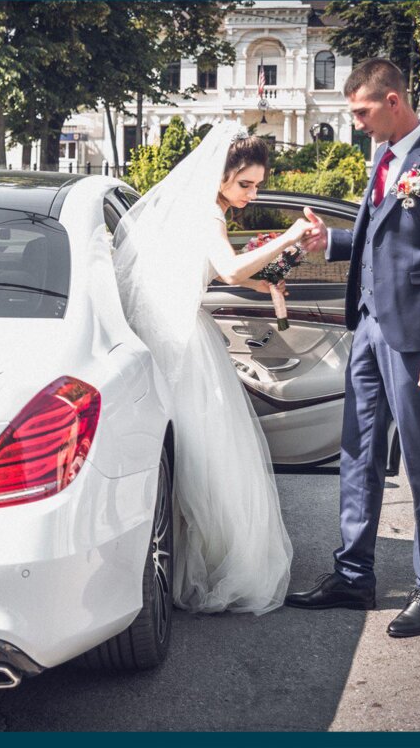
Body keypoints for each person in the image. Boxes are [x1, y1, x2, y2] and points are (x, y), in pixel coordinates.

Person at [287, 59, 420, 638]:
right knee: (357, 452)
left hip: (417, 339)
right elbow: (379, 239)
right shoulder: (382, 159)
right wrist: (331, 240)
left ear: (393, 100)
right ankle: (354, 576)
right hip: (369, 327)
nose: (357, 123)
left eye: (362, 111)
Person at [114, 123, 322, 614]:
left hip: (168, 334)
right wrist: (291, 235)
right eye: (245, 184)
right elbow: (227, 269)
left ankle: (169, 563)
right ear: (221, 175)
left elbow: (199, 269)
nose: (252, 194)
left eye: (257, 185)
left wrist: (262, 280)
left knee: (186, 453)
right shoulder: (209, 212)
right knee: (204, 455)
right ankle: (202, 565)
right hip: (184, 343)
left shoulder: (196, 210)